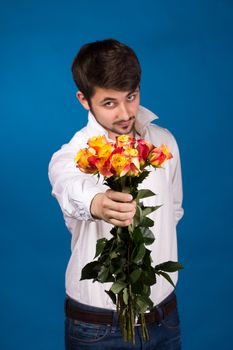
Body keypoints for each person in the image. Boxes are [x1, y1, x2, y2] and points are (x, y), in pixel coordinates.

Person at [48, 38, 184, 350]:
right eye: (109, 103)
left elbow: (173, 211)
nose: (125, 113)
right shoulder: (72, 154)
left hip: (164, 317)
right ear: (84, 100)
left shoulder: (164, 144)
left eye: (131, 97)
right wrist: (97, 203)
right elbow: (69, 185)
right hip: (96, 326)